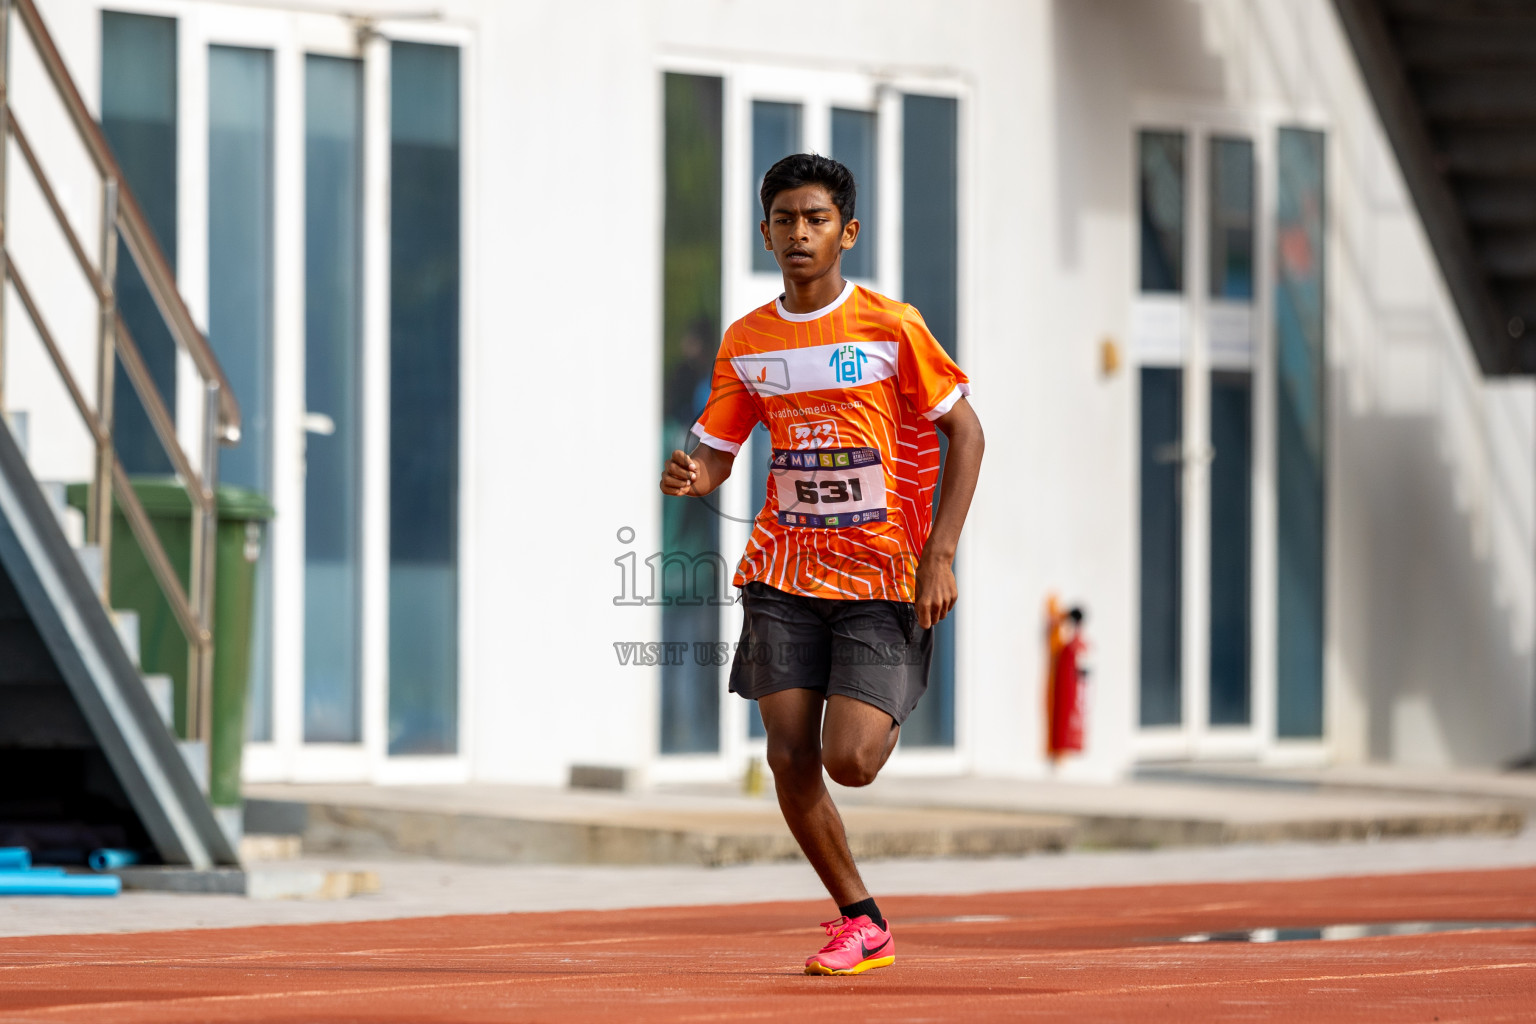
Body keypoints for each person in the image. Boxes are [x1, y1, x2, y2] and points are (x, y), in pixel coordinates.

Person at [658, 153, 984, 975]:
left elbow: (967, 434)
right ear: (764, 231)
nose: (799, 234)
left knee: (852, 759)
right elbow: (721, 451)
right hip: (782, 574)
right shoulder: (749, 341)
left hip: (881, 577)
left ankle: (886, 683)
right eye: (784, 221)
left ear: (848, 232)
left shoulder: (891, 326)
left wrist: (939, 553)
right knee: (789, 756)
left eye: (815, 220)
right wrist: (694, 472)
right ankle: (861, 919)